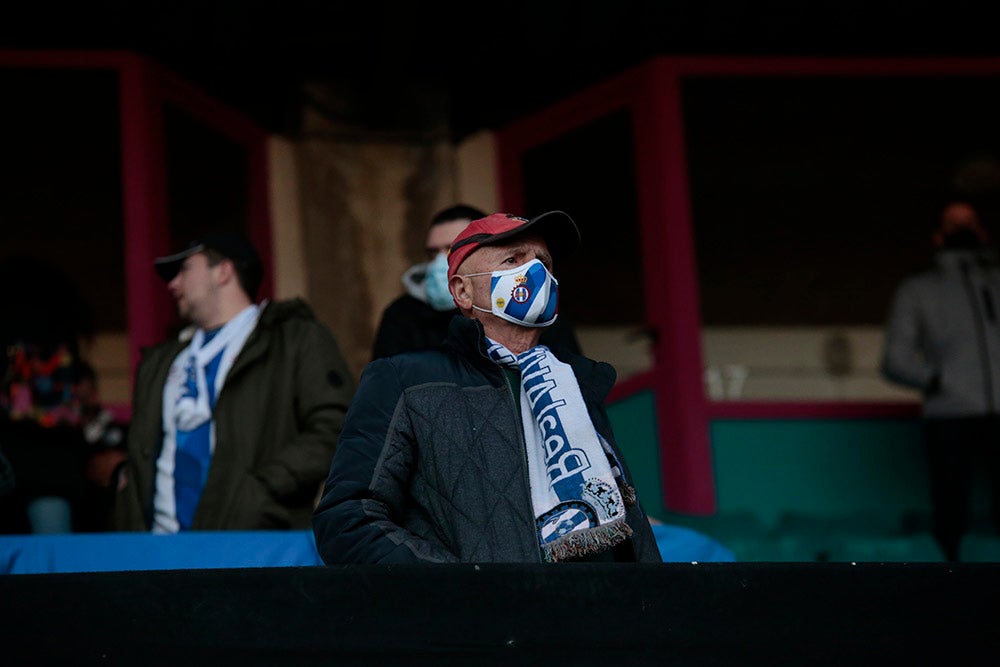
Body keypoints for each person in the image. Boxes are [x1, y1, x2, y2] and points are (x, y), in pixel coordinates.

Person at [313, 211, 661, 563]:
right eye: (513, 259)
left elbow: (625, 532)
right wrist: (469, 588)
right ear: (462, 291)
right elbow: (348, 521)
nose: (535, 272)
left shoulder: (574, 385)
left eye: (544, 261)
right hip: (472, 614)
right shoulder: (405, 381)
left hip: (586, 610)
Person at [112, 231, 355, 532]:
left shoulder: (294, 340)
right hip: (156, 553)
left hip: (248, 547)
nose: (173, 284)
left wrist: (261, 489)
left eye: (185, 269)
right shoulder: (160, 361)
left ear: (223, 272)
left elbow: (337, 428)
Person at [880, 198, 1000, 561]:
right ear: (937, 235)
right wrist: (938, 380)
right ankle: (951, 592)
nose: (961, 229)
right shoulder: (918, 290)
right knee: (951, 509)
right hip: (949, 414)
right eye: (953, 222)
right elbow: (894, 359)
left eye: (969, 222)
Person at [371, 204, 582, 361]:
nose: (440, 261)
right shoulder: (402, 314)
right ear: (461, 290)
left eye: (452, 249)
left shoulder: (537, 310)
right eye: (433, 252)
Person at [0, 254, 94, 534]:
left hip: (14, 458)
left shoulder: (10, 349)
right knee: (52, 556)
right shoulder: (66, 350)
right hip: (55, 470)